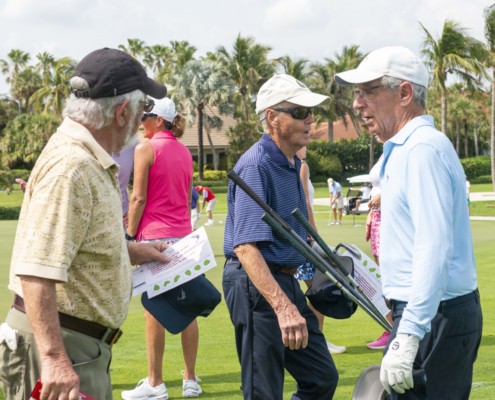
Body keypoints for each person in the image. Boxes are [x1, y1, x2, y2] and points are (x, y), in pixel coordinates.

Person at [0, 48, 171, 400]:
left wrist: (131, 251)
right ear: (121, 113)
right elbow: (35, 270)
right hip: (61, 347)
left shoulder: (84, 159)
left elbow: (76, 241)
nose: (142, 120)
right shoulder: (72, 166)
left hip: (74, 343)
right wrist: (53, 358)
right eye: (143, 109)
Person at [336, 46, 482, 399]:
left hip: (433, 315)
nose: (357, 103)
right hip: (429, 311)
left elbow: (434, 246)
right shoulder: (407, 147)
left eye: (368, 91)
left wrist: (409, 332)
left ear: (404, 93)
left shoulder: (421, 150)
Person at [223, 74, 338, 400]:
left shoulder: (292, 162)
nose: (310, 119)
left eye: (311, 112)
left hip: (284, 280)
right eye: (300, 112)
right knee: (264, 391)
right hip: (256, 283)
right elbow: (246, 247)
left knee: (321, 378)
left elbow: (297, 235)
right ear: (272, 117)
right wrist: (283, 307)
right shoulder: (256, 164)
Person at [125, 98, 202, 399]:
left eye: (145, 116)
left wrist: (129, 237)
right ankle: (190, 380)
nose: (140, 121)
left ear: (159, 120)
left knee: (153, 312)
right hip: (184, 239)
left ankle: (155, 383)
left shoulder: (146, 149)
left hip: (155, 240)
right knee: (188, 309)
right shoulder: (185, 152)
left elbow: (138, 198)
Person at [294, 146, 346, 354]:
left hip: (295, 236)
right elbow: (305, 201)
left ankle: (311, 339)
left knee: (303, 290)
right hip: (305, 237)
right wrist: (315, 235)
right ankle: (318, 340)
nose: (307, 146)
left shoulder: (286, 164)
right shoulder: (301, 165)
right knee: (319, 290)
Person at [365, 153, 394, 350]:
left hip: (391, 217)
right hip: (378, 217)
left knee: (391, 277)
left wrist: (383, 195)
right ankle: (391, 327)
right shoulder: (386, 149)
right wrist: (371, 213)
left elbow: (407, 180)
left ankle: (395, 330)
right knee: (383, 279)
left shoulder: (401, 146)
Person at [112, 140, 139, 228]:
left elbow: (148, 183)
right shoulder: (82, 139)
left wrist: (134, 213)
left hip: (119, 220)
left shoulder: (132, 144)